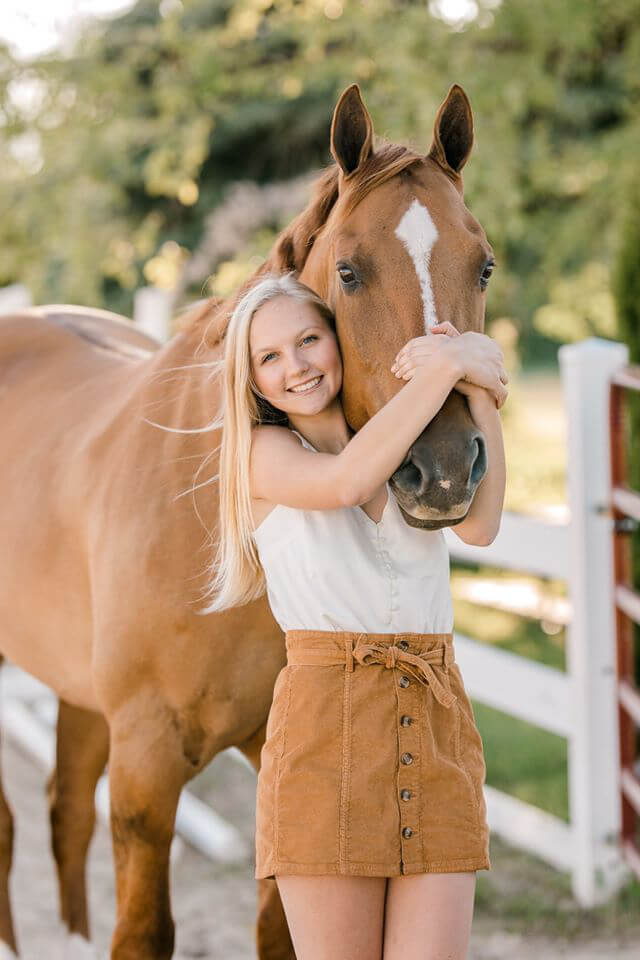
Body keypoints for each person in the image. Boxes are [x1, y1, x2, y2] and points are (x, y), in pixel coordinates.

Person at [206, 271, 508, 960]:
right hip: (325, 739)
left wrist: (478, 393)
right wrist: (453, 361)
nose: (298, 366)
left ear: (337, 340)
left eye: (309, 339)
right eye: (270, 357)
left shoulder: (404, 442)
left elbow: (482, 527)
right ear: (250, 380)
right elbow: (346, 482)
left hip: (435, 727)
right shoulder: (261, 456)